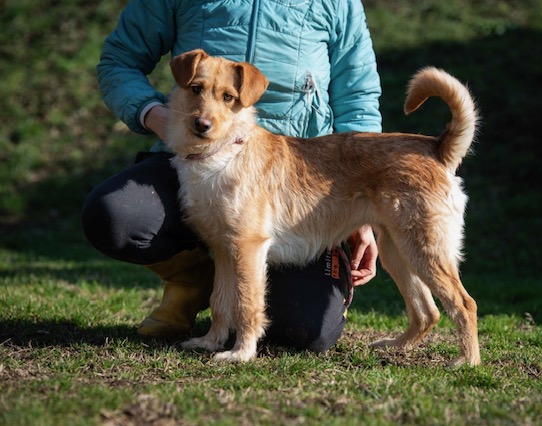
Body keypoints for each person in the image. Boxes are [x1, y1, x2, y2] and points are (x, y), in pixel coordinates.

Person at [81, 0, 382, 353]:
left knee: (306, 332)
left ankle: (231, 286)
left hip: (297, 181)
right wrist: (156, 116)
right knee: (114, 216)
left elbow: (358, 97)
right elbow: (119, 61)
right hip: (187, 159)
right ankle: (193, 279)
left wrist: (360, 206)